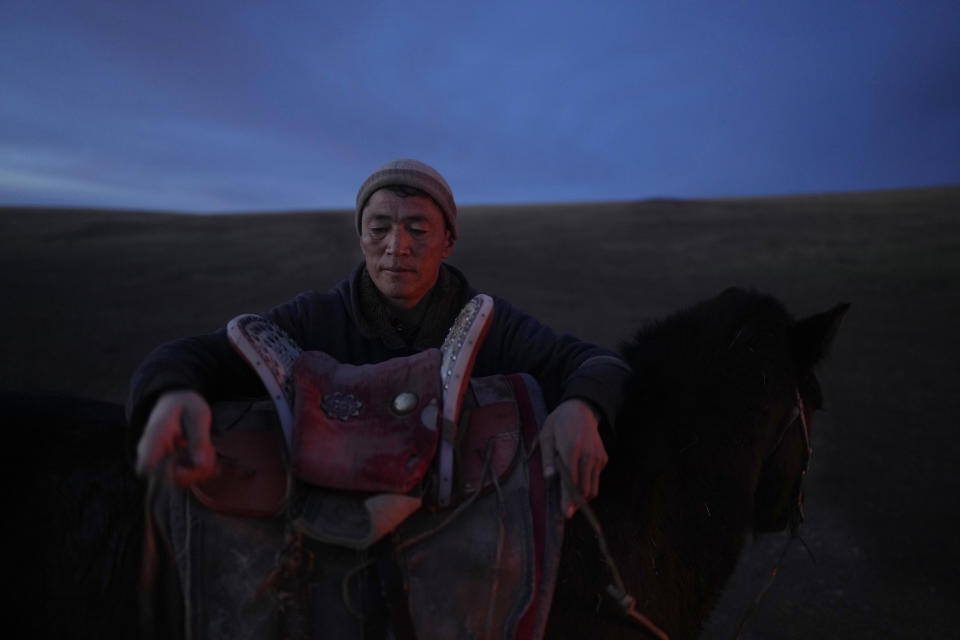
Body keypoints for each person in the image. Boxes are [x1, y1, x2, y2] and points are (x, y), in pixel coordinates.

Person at [128, 158, 631, 519]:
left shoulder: (488, 325)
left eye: (418, 229)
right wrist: (173, 394)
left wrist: (581, 407)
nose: (397, 248)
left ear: (449, 241)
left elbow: (596, 363)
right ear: (361, 235)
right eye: (379, 228)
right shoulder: (316, 318)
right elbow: (193, 355)